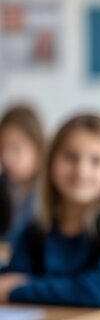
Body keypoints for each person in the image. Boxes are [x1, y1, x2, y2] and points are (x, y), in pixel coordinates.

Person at [0, 114, 100, 320]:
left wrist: (21, 288)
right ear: (50, 163)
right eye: (70, 157)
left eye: (96, 161)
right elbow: (11, 277)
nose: (82, 170)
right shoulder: (38, 227)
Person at [0, 105, 45, 246]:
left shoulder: (50, 189)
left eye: (15, 148)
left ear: (37, 148)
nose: (5, 158)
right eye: (1, 148)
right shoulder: (3, 185)